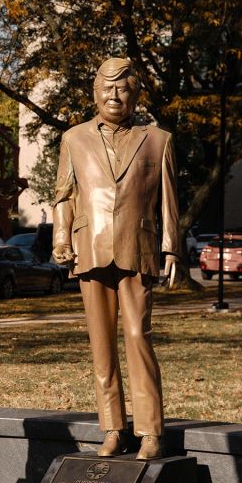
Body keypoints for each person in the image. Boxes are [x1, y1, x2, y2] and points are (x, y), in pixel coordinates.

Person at [51, 58, 181, 461]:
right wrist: (60, 238)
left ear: (134, 94)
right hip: (89, 249)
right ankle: (113, 428)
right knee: (101, 346)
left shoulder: (158, 140)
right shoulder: (73, 139)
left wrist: (172, 246)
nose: (114, 96)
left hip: (137, 248)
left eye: (122, 89)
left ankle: (151, 431)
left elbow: (169, 201)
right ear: (95, 94)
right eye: (106, 89)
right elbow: (63, 195)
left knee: (139, 338)